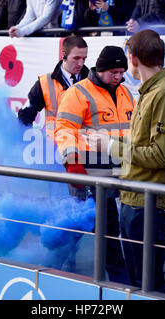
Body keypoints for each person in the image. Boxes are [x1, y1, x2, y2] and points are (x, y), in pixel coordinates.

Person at [89, 30, 165, 293]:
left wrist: (110, 146)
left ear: (133, 58)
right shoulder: (150, 91)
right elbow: (142, 148)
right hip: (136, 200)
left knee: (149, 285)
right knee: (137, 283)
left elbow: (160, 156)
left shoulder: (164, 94)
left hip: (149, 204)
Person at [54, 45, 135, 284]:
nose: (118, 77)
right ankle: (119, 282)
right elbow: (64, 130)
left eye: (122, 72)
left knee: (102, 225)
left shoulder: (126, 93)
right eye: (114, 72)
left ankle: (61, 254)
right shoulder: (78, 93)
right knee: (105, 229)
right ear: (100, 69)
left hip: (121, 172)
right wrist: (73, 163)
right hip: (91, 174)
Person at [17, 35, 89, 138]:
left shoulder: (93, 81)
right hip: (55, 148)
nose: (81, 63)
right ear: (64, 55)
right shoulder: (44, 83)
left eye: (84, 58)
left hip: (86, 149)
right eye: (76, 58)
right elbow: (25, 115)